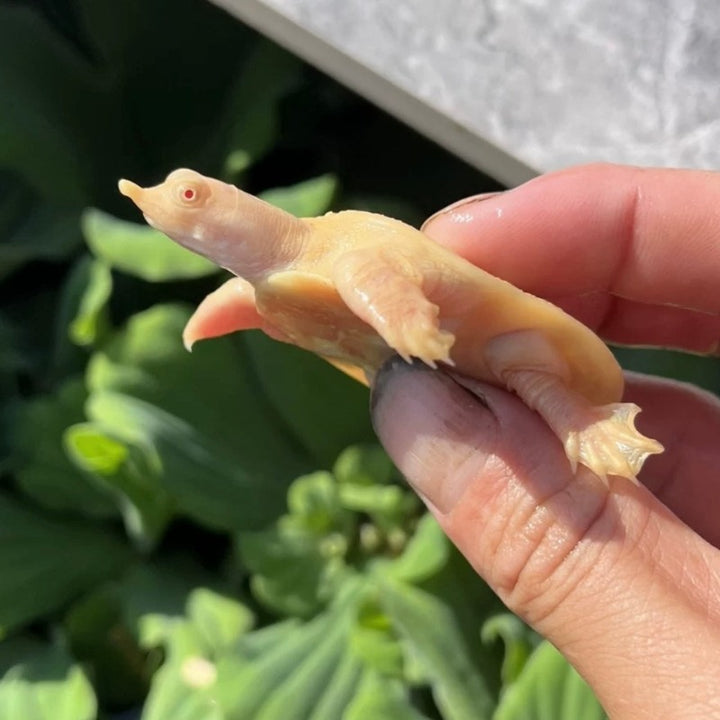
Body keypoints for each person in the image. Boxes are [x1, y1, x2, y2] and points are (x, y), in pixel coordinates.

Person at [369, 163, 720, 719]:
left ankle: (585, 425)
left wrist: (408, 322)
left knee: (533, 381)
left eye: (191, 194)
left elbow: (374, 277)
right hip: (466, 361)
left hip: (509, 356)